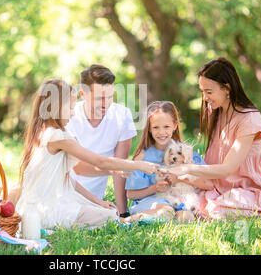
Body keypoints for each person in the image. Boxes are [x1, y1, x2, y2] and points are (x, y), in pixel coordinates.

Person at [167, 57, 261, 219]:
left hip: (246, 191)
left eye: (209, 92)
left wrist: (187, 169)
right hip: (215, 188)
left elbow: (227, 169)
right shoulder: (215, 112)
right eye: (202, 92)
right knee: (185, 205)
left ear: (227, 89)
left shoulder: (249, 119)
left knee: (219, 209)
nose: (205, 98)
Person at [14, 79, 164, 230]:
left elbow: (69, 180)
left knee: (106, 210)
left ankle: (130, 217)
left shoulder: (45, 132)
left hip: (42, 209)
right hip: (48, 213)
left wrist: (98, 201)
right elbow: (100, 162)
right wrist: (139, 165)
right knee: (111, 217)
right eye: (70, 108)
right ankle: (145, 218)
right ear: (57, 107)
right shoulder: (57, 137)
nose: (73, 114)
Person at [65, 64, 137, 218]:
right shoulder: (69, 116)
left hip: (95, 199)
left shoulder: (122, 115)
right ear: (83, 94)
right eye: (99, 98)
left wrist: (123, 212)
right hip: (66, 192)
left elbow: (120, 166)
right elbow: (77, 167)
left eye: (110, 97)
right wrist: (115, 168)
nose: (106, 104)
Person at [125, 101, 213, 222]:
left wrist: (180, 179)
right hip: (152, 202)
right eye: (156, 127)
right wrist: (155, 188)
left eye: (166, 127)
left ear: (175, 125)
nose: (161, 132)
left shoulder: (186, 152)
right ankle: (126, 221)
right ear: (149, 129)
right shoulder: (143, 157)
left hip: (180, 201)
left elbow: (209, 184)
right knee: (166, 211)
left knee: (186, 217)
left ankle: (169, 220)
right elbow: (130, 195)